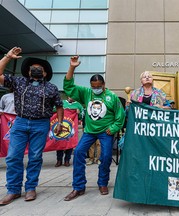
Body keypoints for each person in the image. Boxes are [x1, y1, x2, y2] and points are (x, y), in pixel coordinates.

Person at [0, 47, 64, 206]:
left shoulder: (52, 88)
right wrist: (8, 57)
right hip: (20, 122)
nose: (36, 70)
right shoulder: (18, 82)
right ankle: (13, 190)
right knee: (13, 156)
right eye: (32, 68)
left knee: (35, 157)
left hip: (41, 124)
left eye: (39, 69)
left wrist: (60, 123)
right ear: (28, 72)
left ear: (45, 73)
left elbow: (59, 106)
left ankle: (30, 188)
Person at [63, 55, 125, 201]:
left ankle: (103, 183)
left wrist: (114, 128)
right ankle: (78, 187)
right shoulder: (86, 93)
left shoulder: (112, 97)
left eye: (98, 86)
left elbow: (120, 115)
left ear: (103, 85)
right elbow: (69, 87)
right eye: (93, 86)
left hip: (106, 132)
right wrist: (72, 67)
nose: (96, 88)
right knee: (78, 153)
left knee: (105, 157)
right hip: (89, 132)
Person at [55, 97, 84, 167]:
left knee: (70, 144)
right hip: (61, 126)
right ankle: (59, 160)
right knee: (60, 142)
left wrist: (78, 113)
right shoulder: (62, 102)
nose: (71, 97)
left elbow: (81, 116)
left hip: (71, 128)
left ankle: (67, 160)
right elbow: (54, 110)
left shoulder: (78, 105)